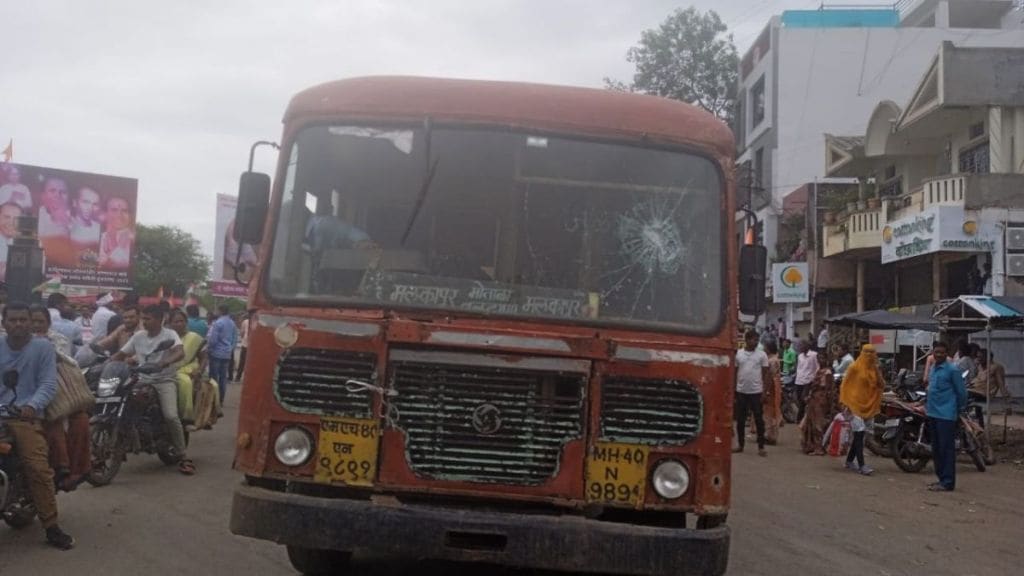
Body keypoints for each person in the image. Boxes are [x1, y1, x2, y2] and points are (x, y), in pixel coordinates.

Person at [0, 302, 75, 549]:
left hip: (24, 416)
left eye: (23, 319)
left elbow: (48, 383)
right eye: (13, 319)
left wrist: (32, 405)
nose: (18, 324)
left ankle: (51, 527)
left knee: (37, 467)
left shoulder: (42, 347)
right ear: (4, 322)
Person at [112, 304, 194, 475]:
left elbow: (180, 352)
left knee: (171, 416)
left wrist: (164, 362)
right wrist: (104, 364)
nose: (144, 322)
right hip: (141, 379)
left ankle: (183, 455)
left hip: (164, 380)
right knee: (120, 399)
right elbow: (121, 354)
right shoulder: (139, 336)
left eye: (147, 319)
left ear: (159, 320)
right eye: (143, 319)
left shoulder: (169, 334)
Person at [29, 305, 91, 492]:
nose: (35, 325)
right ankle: (61, 467)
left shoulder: (57, 340)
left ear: (48, 323)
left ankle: (73, 470)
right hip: (25, 395)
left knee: (79, 420)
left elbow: (67, 362)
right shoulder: (11, 342)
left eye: (40, 321)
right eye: (32, 321)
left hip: (55, 393)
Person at [926, 341, 967, 491]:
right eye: (937, 352)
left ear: (946, 353)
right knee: (936, 449)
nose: (939, 355)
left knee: (946, 449)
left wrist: (959, 409)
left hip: (946, 415)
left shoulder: (952, 370)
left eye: (942, 352)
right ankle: (941, 479)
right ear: (933, 352)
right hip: (932, 412)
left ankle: (948, 481)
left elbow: (961, 393)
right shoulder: (933, 368)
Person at [839, 344, 884, 475]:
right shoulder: (854, 368)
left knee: (861, 435)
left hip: (868, 405)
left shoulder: (874, 369)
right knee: (859, 432)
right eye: (867, 353)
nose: (870, 356)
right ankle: (862, 465)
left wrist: (878, 371)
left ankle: (849, 461)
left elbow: (881, 385)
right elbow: (844, 386)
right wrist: (844, 403)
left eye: (872, 353)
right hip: (853, 405)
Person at [168, 309, 207, 428]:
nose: (179, 324)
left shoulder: (195, 337)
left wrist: (199, 371)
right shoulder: (167, 338)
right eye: (175, 322)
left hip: (189, 370)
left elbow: (204, 357)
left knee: (185, 383)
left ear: (186, 322)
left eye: (181, 321)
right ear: (170, 324)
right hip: (167, 369)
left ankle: (186, 417)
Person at [734, 330, 769, 456]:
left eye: (757, 340)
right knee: (740, 420)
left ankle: (761, 447)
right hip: (741, 391)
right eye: (754, 339)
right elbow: (735, 372)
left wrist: (765, 392)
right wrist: (734, 390)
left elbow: (766, 375)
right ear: (747, 340)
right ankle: (740, 444)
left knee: (759, 419)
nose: (756, 342)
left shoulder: (762, 355)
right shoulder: (738, 354)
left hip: (756, 392)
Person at [801, 353, 833, 455]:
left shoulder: (827, 372)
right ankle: (812, 446)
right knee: (810, 423)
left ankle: (819, 448)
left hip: (820, 399)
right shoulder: (819, 370)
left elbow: (828, 389)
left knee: (818, 424)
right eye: (819, 358)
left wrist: (827, 401)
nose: (820, 360)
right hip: (814, 399)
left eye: (823, 358)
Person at [969, 349, 1010, 425]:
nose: (979, 359)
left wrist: (1006, 399)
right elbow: (977, 380)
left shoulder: (996, 367)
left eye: (981, 357)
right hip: (974, 391)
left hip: (985, 394)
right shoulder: (980, 367)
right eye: (978, 357)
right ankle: (979, 426)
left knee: (963, 393)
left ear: (989, 357)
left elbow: (1001, 384)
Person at [207, 304, 237, 405]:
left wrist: (209, 349)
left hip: (216, 353)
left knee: (214, 377)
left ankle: (213, 398)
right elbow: (234, 338)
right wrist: (230, 349)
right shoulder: (232, 323)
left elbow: (213, 340)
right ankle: (221, 399)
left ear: (220, 311)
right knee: (223, 377)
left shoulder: (218, 323)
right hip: (227, 353)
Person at [757, 340, 782, 445]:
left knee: (769, 412)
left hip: (771, 387)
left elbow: (769, 377)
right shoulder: (773, 359)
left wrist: (765, 391)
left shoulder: (771, 361)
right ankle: (770, 435)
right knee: (771, 412)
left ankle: (769, 435)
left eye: (765, 347)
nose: (764, 349)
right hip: (774, 386)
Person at [99, 196, 133, 269]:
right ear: (105, 213)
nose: (119, 215)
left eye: (124, 210)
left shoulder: (134, 239)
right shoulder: (98, 239)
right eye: (114, 210)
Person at [794, 341, 818, 423]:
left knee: (803, 399)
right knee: (799, 399)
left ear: (807, 346)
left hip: (808, 380)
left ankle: (800, 418)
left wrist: (814, 378)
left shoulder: (814, 355)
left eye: (802, 345)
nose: (800, 347)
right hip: (799, 380)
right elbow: (799, 367)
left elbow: (817, 367)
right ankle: (803, 417)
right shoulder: (800, 356)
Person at [237, 309, 253, 381]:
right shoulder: (257, 321)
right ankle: (249, 379)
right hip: (253, 346)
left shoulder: (245, 322)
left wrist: (243, 338)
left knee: (242, 362)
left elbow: (242, 333)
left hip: (245, 344)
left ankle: (238, 378)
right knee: (250, 363)